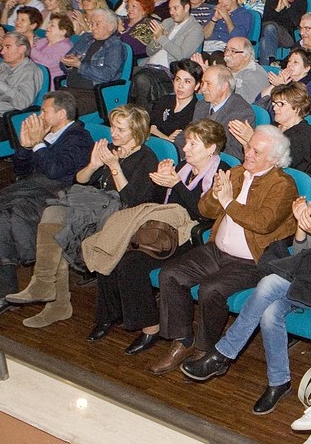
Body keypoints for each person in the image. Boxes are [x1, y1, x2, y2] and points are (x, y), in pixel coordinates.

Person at [180, 154, 311, 415]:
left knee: (271, 282)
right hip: (303, 276)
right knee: (271, 312)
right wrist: (301, 226)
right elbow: (299, 253)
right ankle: (278, 382)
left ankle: (223, 354)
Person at [148, 125, 298, 375]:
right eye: (248, 147)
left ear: (273, 159)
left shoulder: (283, 185)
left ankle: (207, 349)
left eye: (256, 152)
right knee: (170, 274)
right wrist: (216, 195)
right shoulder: (237, 172)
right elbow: (205, 211)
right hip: (217, 250)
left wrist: (228, 201)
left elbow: (262, 224)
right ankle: (183, 340)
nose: (248, 153)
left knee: (211, 289)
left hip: (252, 260)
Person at [6, 105, 160, 328]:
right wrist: (94, 164)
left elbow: (133, 201)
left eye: (120, 129)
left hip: (121, 217)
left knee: (58, 227)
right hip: (93, 207)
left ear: (136, 132)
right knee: (53, 215)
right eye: (113, 127)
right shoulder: (109, 148)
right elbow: (80, 180)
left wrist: (114, 167)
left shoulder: (146, 158)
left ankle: (55, 301)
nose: (113, 133)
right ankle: (46, 288)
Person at [88, 119, 228, 355]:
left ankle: (150, 327)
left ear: (211, 148)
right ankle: (108, 315)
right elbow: (161, 203)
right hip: (162, 227)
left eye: (192, 144)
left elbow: (206, 214)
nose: (184, 149)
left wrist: (177, 184)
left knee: (131, 264)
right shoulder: (184, 166)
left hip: (189, 236)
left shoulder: (221, 173)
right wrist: (164, 181)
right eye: (186, 143)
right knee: (112, 247)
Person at [0, 91, 93, 319]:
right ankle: (3, 289)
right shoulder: (48, 135)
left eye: (44, 111)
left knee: (3, 214)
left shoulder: (79, 138)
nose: (40, 115)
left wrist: (37, 144)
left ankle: (4, 291)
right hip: (32, 186)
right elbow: (21, 170)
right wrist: (25, 147)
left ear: (61, 114)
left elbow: (56, 170)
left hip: (57, 192)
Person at [130, 0, 204, 109]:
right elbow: (149, 51)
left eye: (175, 8)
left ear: (186, 8)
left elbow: (181, 55)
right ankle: (131, 114)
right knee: (130, 72)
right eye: (170, 9)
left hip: (169, 71)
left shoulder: (195, 29)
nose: (172, 12)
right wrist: (156, 42)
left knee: (141, 79)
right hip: (149, 66)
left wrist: (161, 38)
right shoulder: (167, 22)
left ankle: (141, 119)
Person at [233, 82, 311, 177]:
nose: (274, 108)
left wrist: (252, 139)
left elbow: (278, 164)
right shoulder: (275, 126)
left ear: (297, 108)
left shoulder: (302, 136)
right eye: (274, 103)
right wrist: (247, 145)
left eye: (281, 104)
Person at [181, 64, 256, 160]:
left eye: (208, 84)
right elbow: (190, 133)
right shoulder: (202, 105)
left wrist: (201, 153)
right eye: (203, 83)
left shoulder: (241, 112)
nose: (203, 89)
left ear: (224, 86)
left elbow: (235, 153)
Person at [60, 8, 127, 115]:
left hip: (93, 94)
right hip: (70, 89)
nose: (92, 27)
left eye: (97, 24)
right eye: (91, 23)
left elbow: (107, 74)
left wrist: (79, 65)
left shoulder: (115, 46)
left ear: (110, 26)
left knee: (61, 112)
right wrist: (68, 63)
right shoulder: (86, 38)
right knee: (47, 106)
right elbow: (63, 65)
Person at [0, 33, 43, 141]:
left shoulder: (30, 71)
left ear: (22, 49)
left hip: (4, 121)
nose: (2, 51)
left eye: (8, 47)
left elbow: (23, 102)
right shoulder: (3, 66)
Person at [149, 59, 203, 141]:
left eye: (187, 81)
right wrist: (167, 139)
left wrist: (159, 133)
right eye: (178, 80)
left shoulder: (197, 110)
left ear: (196, 86)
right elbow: (151, 127)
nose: (180, 86)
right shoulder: (164, 100)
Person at [31, 15, 76, 87]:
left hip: (47, 82)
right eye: (48, 24)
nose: (47, 27)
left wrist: (31, 49)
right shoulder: (43, 41)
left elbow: (48, 63)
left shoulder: (65, 47)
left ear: (62, 31)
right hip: (32, 77)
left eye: (52, 25)